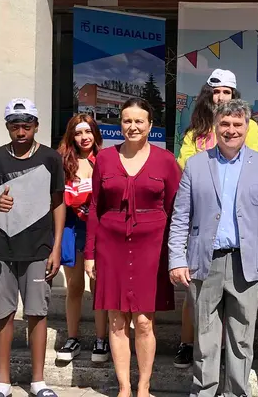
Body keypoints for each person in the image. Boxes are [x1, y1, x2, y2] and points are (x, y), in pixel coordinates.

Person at [168, 99, 258, 397]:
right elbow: (181, 216)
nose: (230, 130)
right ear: (215, 127)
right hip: (204, 263)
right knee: (205, 336)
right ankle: (204, 392)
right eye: (225, 124)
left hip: (246, 264)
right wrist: (176, 259)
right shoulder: (196, 164)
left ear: (247, 128)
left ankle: (236, 392)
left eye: (237, 125)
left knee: (242, 337)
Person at [84, 98, 180, 397]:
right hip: (110, 246)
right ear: (120, 124)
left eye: (139, 121)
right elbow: (95, 208)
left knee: (143, 321)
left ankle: (143, 387)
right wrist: (89, 254)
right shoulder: (104, 159)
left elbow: (178, 210)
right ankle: (124, 387)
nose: (133, 126)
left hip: (152, 247)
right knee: (115, 320)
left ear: (150, 125)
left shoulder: (165, 161)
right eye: (127, 121)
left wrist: (177, 254)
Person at [0, 98, 64, 397]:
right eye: (15, 126)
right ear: (8, 128)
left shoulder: (51, 158)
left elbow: (58, 203)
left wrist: (56, 248)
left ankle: (38, 382)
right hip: (2, 249)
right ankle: (2, 383)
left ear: (36, 126)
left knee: (37, 313)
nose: (21, 131)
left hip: (39, 249)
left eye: (27, 126)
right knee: (3, 314)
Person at [174, 68, 258, 368]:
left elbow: (254, 165)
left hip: (238, 235)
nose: (221, 96)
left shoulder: (248, 127)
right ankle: (188, 344)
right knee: (196, 302)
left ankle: (230, 368)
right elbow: (185, 165)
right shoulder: (194, 131)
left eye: (227, 92)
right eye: (216, 91)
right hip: (203, 227)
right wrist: (209, 168)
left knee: (238, 318)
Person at [55, 114, 109, 363]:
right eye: (78, 133)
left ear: (95, 133)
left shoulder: (105, 160)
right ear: (71, 136)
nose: (84, 137)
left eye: (88, 132)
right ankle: (72, 337)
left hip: (98, 229)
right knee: (74, 286)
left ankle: (101, 339)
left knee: (98, 285)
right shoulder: (62, 161)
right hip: (70, 227)